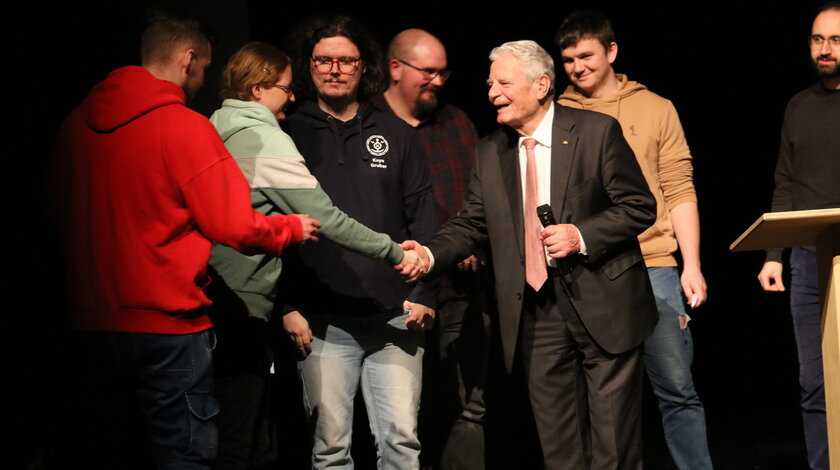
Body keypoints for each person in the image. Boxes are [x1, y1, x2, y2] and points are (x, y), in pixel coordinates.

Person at [48, 16, 319, 469]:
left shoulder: (76, 124)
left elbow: (53, 213)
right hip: (168, 330)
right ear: (188, 59)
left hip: (89, 327)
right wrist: (289, 228)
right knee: (183, 456)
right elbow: (232, 226)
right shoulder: (186, 127)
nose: (202, 79)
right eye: (204, 67)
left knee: (105, 453)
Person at [403, 40, 657, 470]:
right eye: (489, 84)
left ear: (541, 85)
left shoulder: (595, 132)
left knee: (614, 447)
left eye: (504, 82)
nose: (492, 93)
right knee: (559, 449)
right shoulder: (490, 150)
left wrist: (580, 235)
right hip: (535, 314)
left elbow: (639, 207)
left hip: (605, 305)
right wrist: (430, 254)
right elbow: (472, 224)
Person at [205, 42, 422, 469]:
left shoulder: (212, 126)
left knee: (235, 437)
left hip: (214, 297)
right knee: (242, 442)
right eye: (285, 88)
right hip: (245, 306)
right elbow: (327, 218)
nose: (291, 96)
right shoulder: (264, 136)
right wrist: (394, 252)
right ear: (257, 88)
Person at [555, 10, 713, 470]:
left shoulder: (656, 108)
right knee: (598, 396)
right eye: (567, 59)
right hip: (589, 270)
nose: (578, 67)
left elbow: (679, 187)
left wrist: (692, 264)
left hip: (654, 265)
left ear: (611, 51)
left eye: (586, 55)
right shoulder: (559, 115)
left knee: (677, 390)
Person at [283, 16, 439, 469]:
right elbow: (272, 224)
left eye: (345, 60)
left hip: (395, 318)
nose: (334, 69)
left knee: (402, 444)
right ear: (308, 66)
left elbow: (423, 214)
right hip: (322, 321)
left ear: (363, 66)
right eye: (323, 60)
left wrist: (425, 292)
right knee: (330, 449)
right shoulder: (289, 132)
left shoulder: (396, 132)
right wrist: (287, 303)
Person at [372, 29, 489, 470]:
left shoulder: (457, 123)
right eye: (429, 72)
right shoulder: (369, 126)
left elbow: (480, 204)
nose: (439, 82)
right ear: (396, 68)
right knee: (403, 418)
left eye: (444, 73)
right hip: (397, 293)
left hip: (461, 293)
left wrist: (472, 243)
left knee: (469, 408)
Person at [757, 3, 840, 469]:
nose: (824, 49)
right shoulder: (799, 105)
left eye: (835, 39)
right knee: (815, 381)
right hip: (809, 261)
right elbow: (785, 182)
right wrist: (774, 255)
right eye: (816, 39)